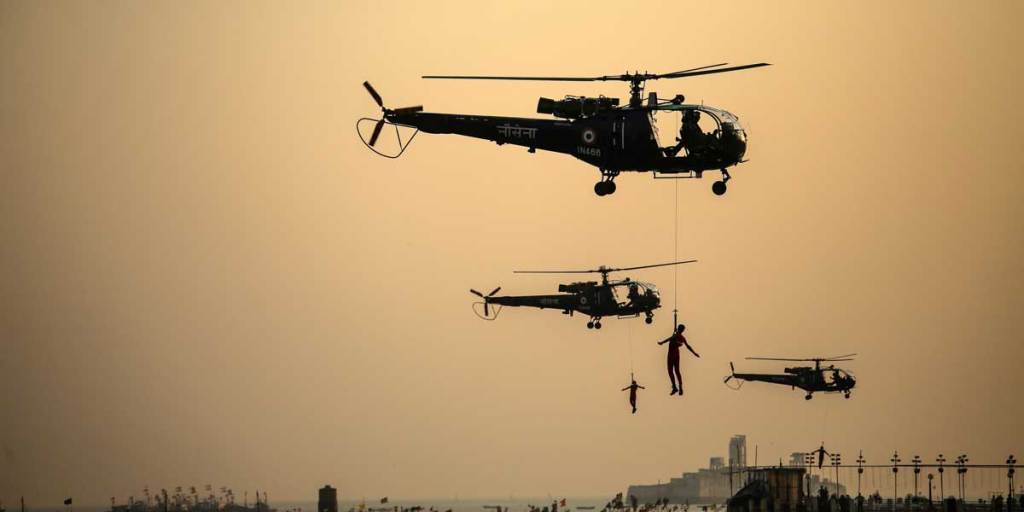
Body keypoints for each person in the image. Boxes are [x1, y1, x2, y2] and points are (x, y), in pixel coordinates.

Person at [658, 324, 699, 395]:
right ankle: (679, 387)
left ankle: (675, 387)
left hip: (671, 354)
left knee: (671, 371)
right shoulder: (681, 337)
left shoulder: (677, 335)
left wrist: (662, 342)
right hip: (676, 354)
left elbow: (669, 339)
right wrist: (694, 353)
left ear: (679, 329)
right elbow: (687, 346)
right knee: (677, 371)